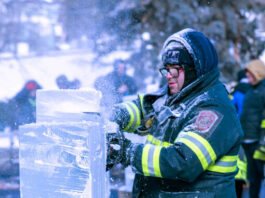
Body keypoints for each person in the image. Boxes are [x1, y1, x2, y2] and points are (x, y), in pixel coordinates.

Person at [107, 28, 243, 197]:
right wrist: (114, 118)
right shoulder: (175, 95)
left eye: (175, 69)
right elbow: (142, 108)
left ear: (195, 69)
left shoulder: (214, 109)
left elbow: (182, 162)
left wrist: (127, 152)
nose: (168, 76)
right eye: (166, 69)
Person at [240, 59, 265, 198]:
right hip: (247, 140)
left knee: (260, 174)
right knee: (253, 177)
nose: (247, 76)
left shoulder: (263, 90)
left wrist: (263, 140)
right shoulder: (250, 90)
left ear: (258, 73)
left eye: (250, 74)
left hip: (258, 142)